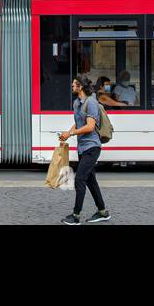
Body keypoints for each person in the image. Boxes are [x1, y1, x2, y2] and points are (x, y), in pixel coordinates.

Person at [58, 76, 111, 224]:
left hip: (92, 147)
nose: (72, 86)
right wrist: (67, 134)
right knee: (90, 180)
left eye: (74, 84)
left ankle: (75, 216)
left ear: (80, 86)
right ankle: (103, 212)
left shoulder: (91, 103)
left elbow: (90, 126)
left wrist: (72, 133)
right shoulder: (77, 103)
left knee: (80, 179)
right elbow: (78, 124)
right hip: (82, 147)